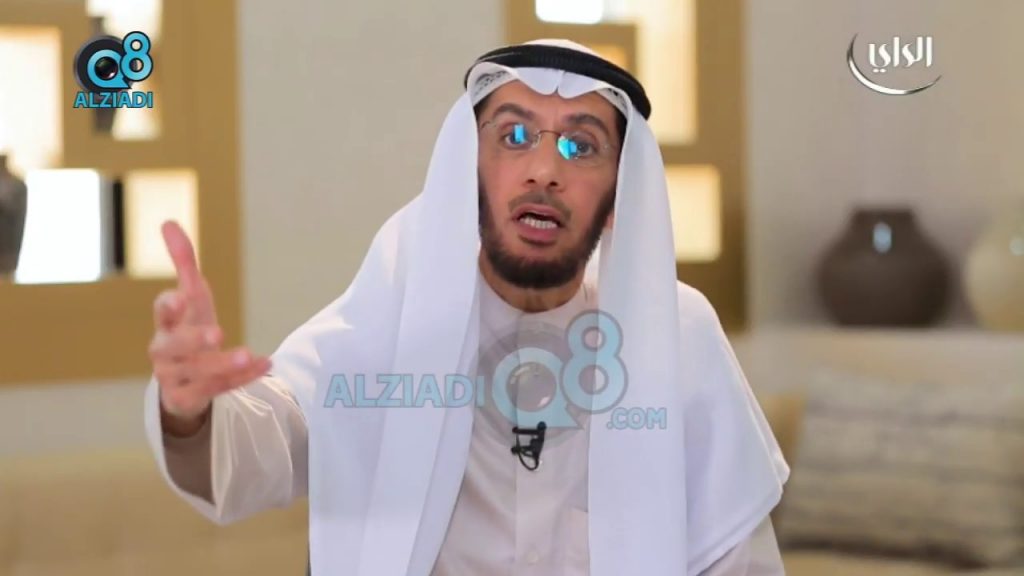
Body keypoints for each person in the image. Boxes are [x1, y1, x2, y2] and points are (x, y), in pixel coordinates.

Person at [145, 39, 790, 576]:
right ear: (467, 167)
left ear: (621, 195)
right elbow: (256, 452)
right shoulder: (395, 308)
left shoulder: (677, 335)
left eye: (581, 145)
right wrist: (190, 410)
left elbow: (738, 558)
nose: (544, 169)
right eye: (513, 135)